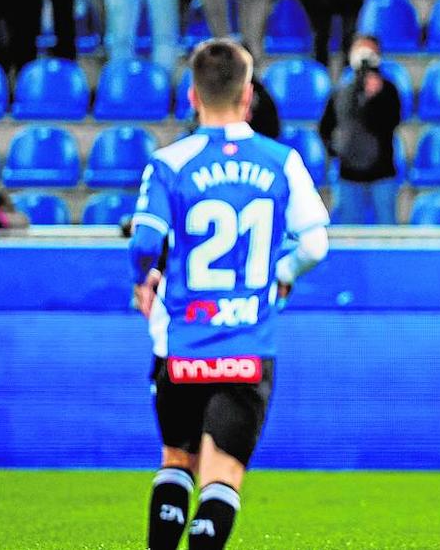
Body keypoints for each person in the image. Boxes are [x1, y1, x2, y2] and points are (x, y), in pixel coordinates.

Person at [129, 38, 329, 550]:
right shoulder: (281, 161)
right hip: (246, 344)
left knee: (177, 461)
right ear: (248, 96)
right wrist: (282, 272)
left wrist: (144, 279)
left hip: (182, 344)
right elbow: (315, 243)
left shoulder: (170, 162)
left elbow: (146, 241)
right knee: (222, 476)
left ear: (193, 96)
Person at [318, 37, 402, 225]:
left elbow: (392, 121)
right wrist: (336, 150)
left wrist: (375, 98)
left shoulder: (388, 91)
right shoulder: (341, 91)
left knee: (387, 230)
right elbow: (326, 126)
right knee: (349, 231)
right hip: (348, 174)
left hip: (382, 174)